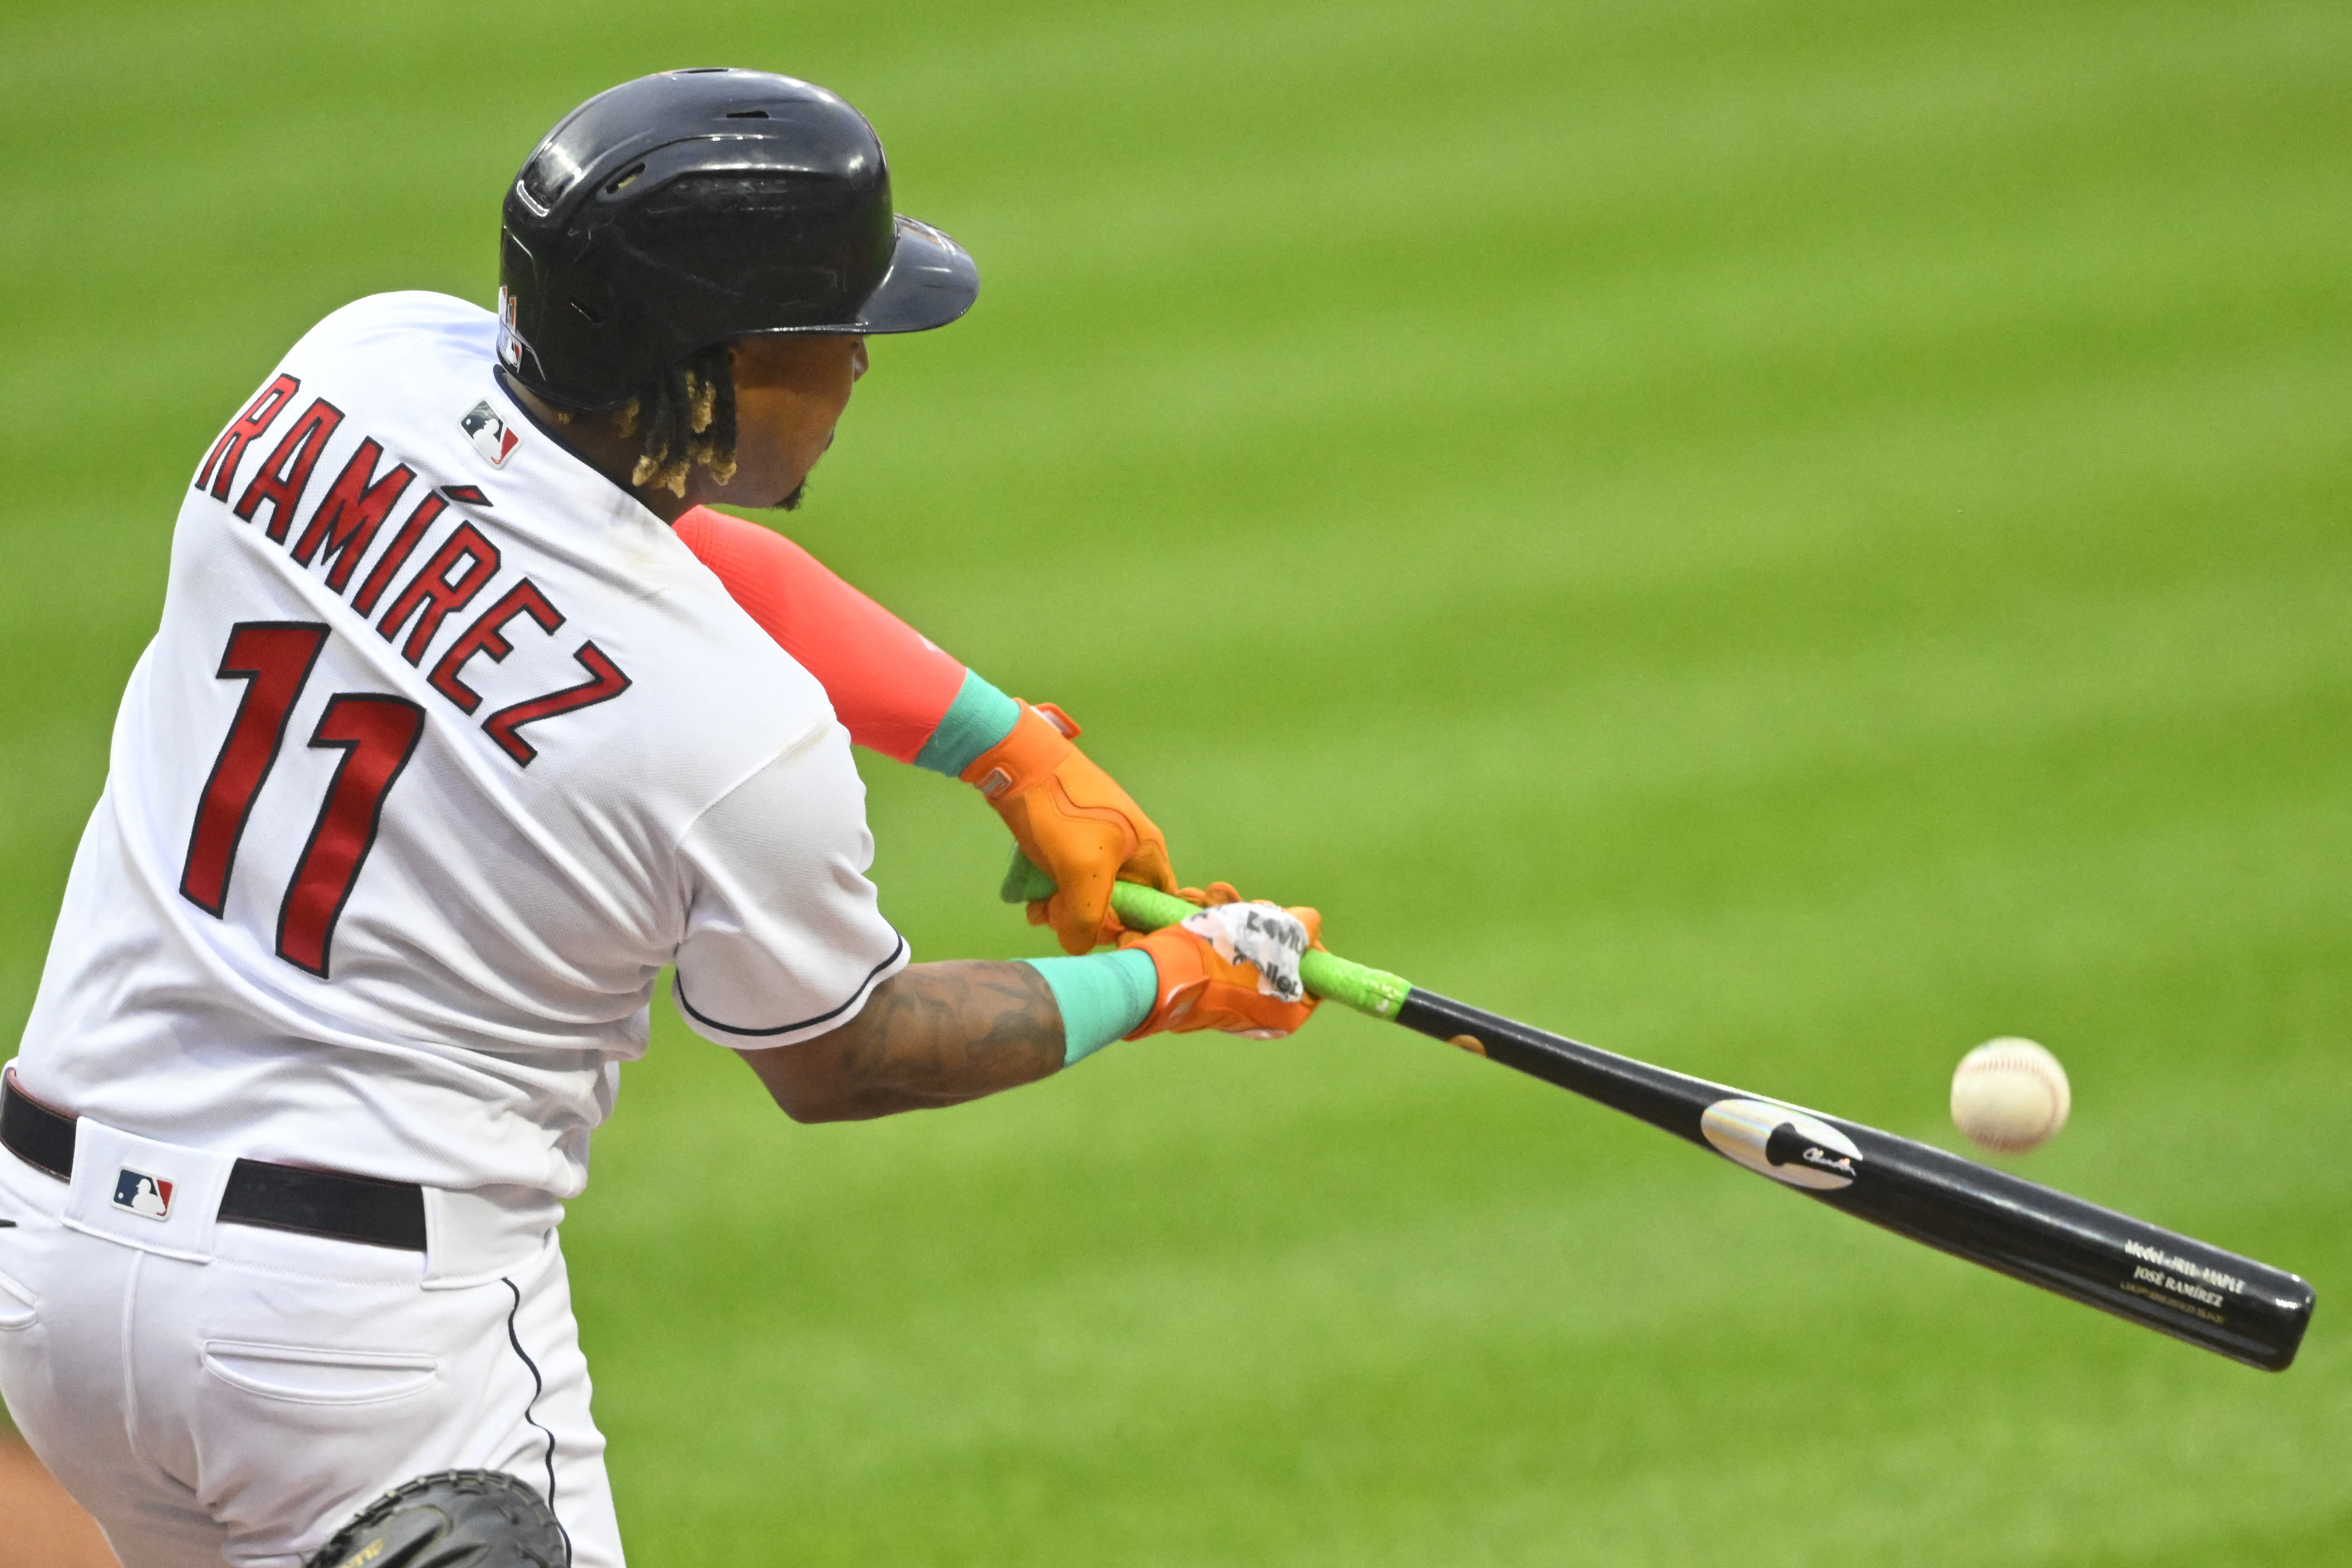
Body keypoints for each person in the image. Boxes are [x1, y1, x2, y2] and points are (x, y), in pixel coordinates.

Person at [0, 68, 1319, 1568]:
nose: (863, 369)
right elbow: (849, 1054)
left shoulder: (343, 371)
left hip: (55, 1266)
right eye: (838, 332)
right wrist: (1169, 978)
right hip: (352, 1357)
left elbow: (635, 550)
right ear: (721, 363)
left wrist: (1006, 745)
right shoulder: (738, 743)